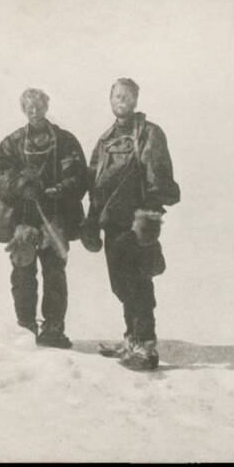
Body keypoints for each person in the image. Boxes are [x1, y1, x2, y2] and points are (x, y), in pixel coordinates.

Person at [81, 78, 181, 370]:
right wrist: (91, 219)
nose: (121, 100)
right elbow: (94, 182)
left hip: (137, 223)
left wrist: (149, 213)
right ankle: (131, 339)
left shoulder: (149, 134)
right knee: (121, 284)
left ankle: (146, 345)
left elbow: (157, 174)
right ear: (110, 100)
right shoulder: (106, 139)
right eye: (116, 96)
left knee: (138, 283)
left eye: (127, 96)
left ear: (136, 100)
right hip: (111, 223)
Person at [0, 88, 88, 347]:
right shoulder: (11, 143)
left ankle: (54, 328)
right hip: (21, 219)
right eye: (29, 107)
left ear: (47, 106)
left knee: (55, 273)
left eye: (39, 106)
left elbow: (80, 176)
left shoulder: (65, 140)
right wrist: (20, 184)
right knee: (22, 273)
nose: (34, 111)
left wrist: (58, 190)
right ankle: (25, 327)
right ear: (23, 110)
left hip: (55, 217)